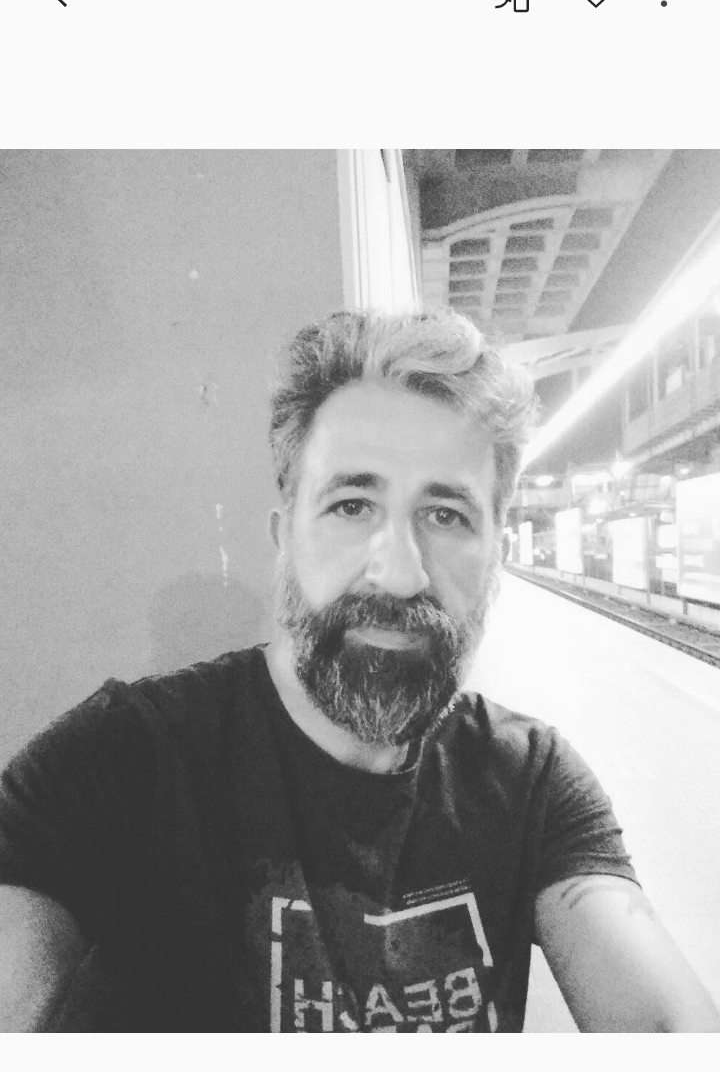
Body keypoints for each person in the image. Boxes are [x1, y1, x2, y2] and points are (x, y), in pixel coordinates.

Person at [1, 309, 718, 1033]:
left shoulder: (531, 781)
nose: (401, 575)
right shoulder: (121, 763)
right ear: (285, 540)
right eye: (351, 505)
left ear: (495, 557)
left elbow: (668, 1039)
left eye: (446, 515)